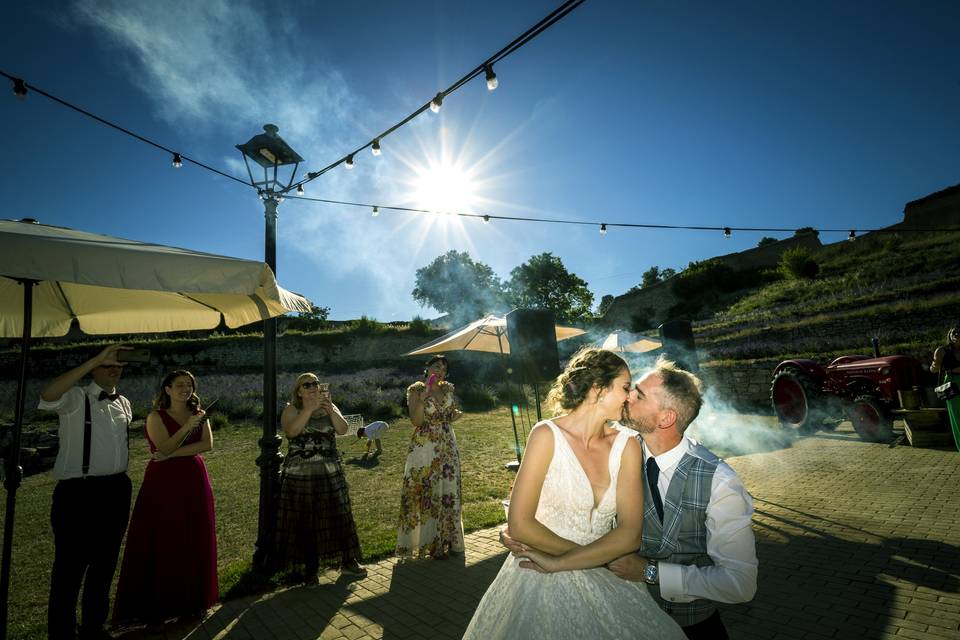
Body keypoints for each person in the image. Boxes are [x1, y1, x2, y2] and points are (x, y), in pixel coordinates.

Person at [464, 348, 685, 640]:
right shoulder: (545, 436)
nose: (630, 396)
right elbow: (520, 524)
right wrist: (600, 559)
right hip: (537, 577)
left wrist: (570, 561)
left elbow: (630, 533)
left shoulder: (627, 445)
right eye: (625, 387)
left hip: (605, 580)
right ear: (597, 389)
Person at [605, 357, 758, 639]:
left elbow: (740, 584)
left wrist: (651, 573)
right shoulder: (615, 452)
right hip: (623, 617)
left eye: (638, 394)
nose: (627, 396)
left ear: (666, 418)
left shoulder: (720, 481)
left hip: (693, 627)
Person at [38, 344, 133, 640]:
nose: (114, 368)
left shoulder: (125, 403)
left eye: (117, 364)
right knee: (69, 569)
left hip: (116, 490)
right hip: (79, 495)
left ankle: (93, 628)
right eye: (107, 364)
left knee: (104, 566)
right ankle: (62, 633)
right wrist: (96, 358)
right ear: (93, 368)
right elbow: (47, 395)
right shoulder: (76, 398)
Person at [112, 370, 218, 627]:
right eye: (179, 385)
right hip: (164, 483)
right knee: (164, 536)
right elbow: (163, 448)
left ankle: (193, 602)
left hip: (194, 478)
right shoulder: (155, 416)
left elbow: (207, 445)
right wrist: (186, 430)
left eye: (189, 385)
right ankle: (158, 605)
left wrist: (173, 451)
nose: (185, 389)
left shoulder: (198, 413)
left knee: (194, 534)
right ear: (167, 389)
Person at [275, 373, 366, 578]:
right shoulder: (292, 409)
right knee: (305, 519)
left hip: (329, 471)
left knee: (338, 515)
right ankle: (310, 568)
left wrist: (330, 410)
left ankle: (348, 560)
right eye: (306, 385)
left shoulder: (329, 406)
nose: (312, 387)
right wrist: (308, 410)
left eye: (315, 383)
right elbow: (292, 432)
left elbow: (343, 429)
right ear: (299, 391)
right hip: (300, 474)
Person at [396, 355, 465, 559]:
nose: (440, 370)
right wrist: (425, 393)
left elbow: (451, 411)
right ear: (426, 367)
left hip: (447, 444)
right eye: (436, 365)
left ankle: (448, 540)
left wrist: (456, 415)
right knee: (426, 489)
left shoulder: (447, 389)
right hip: (425, 446)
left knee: (448, 490)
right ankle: (429, 544)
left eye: (444, 368)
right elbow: (416, 421)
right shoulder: (415, 389)